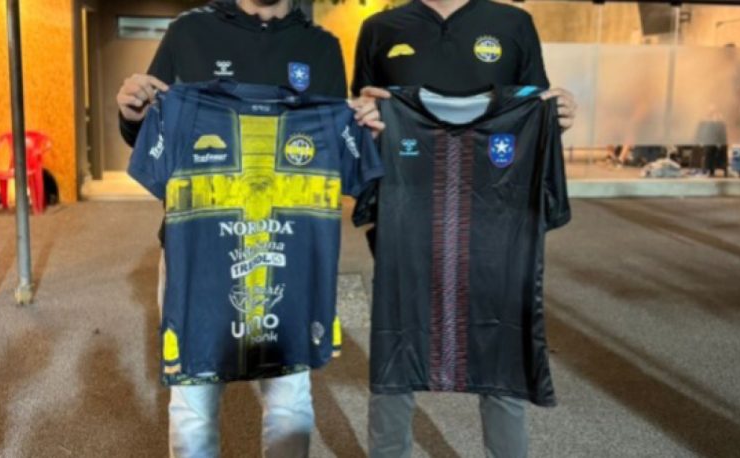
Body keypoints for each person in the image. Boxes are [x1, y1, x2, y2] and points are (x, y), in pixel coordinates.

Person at [116, 1, 381, 457]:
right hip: (199, 251)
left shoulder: (321, 46)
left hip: (290, 253)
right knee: (194, 400)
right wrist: (133, 113)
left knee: (289, 402)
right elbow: (150, 132)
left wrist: (365, 131)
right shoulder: (188, 32)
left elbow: (332, 147)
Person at [351, 0, 577, 457]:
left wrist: (559, 118)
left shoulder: (513, 23)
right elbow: (362, 118)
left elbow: (534, 111)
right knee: (398, 331)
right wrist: (363, 119)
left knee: (501, 339)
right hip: (408, 210)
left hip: (497, 215)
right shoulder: (380, 27)